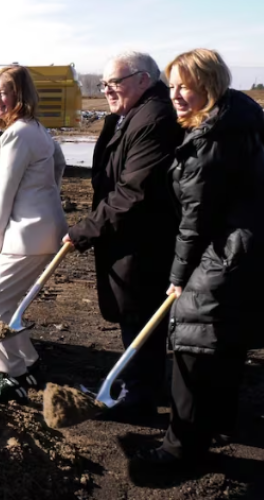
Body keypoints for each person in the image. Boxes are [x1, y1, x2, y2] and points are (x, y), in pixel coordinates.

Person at [134, 49, 264, 468]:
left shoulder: (211, 142)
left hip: (223, 254)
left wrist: (178, 277)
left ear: (208, 86)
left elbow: (195, 222)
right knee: (225, 343)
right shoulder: (239, 117)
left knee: (192, 342)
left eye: (184, 87)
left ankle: (180, 449)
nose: (174, 95)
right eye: (171, 86)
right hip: (246, 251)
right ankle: (217, 424)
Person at [63, 52, 183, 416]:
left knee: (140, 315)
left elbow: (134, 192)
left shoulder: (155, 118)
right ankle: (139, 386)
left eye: (114, 83)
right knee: (133, 316)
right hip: (127, 236)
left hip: (144, 240)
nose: (107, 90)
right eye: (104, 84)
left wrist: (85, 230)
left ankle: (138, 397)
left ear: (144, 79)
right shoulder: (129, 115)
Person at [0, 66, 68, 401]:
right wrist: (47, 200)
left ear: (21, 95)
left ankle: (11, 375)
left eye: (6, 92)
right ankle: (29, 361)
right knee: (7, 305)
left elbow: (3, 195)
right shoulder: (38, 129)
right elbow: (59, 165)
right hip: (44, 231)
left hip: (24, 236)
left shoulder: (17, 135)